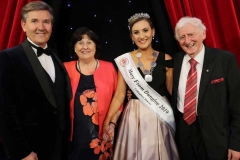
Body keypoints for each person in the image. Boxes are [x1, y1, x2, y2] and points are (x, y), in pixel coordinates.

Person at [0, 1, 72, 160]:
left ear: (52, 25)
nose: (41, 27)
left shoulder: (55, 56)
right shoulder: (8, 57)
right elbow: (4, 111)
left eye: (46, 21)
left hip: (57, 149)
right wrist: (22, 152)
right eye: (34, 21)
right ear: (23, 25)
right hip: (29, 151)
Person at [103, 13, 179, 160]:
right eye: (136, 32)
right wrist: (107, 121)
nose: (141, 36)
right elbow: (119, 95)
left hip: (160, 113)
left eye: (145, 30)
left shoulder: (166, 59)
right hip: (134, 116)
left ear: (153, 32)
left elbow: (172, 91)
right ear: (131, 36)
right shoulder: (125, 61)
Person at [172, 16, 240, 160]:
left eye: (191, 34)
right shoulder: (175, 62)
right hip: (185, 139)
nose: (187, 41)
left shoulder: (225, 59)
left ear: (203, 34)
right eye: (182, 37)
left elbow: (237, 104)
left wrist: (236, 144)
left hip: (217, 140)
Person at [63, 27, 122, 160]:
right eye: (80, 42)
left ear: (96, 45)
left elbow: (118, 100)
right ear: (74, 47)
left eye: (89, 42)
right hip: (75, 136)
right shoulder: (65, 68)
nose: (85, 47)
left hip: (103, 135)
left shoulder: (109, 67)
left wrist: (112, 124)